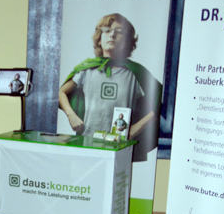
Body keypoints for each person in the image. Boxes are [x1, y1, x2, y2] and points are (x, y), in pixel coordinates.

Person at [58, 14, 161, 160]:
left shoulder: (135, 73)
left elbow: (161, 103)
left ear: (127, 41)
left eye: (119, 31)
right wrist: (71, 115)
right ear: (99, 39)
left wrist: (135, 129)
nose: (112, 34)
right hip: (87, 143)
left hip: (119, 147)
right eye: (107, 30)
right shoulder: (86, 70)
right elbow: (61, 92)